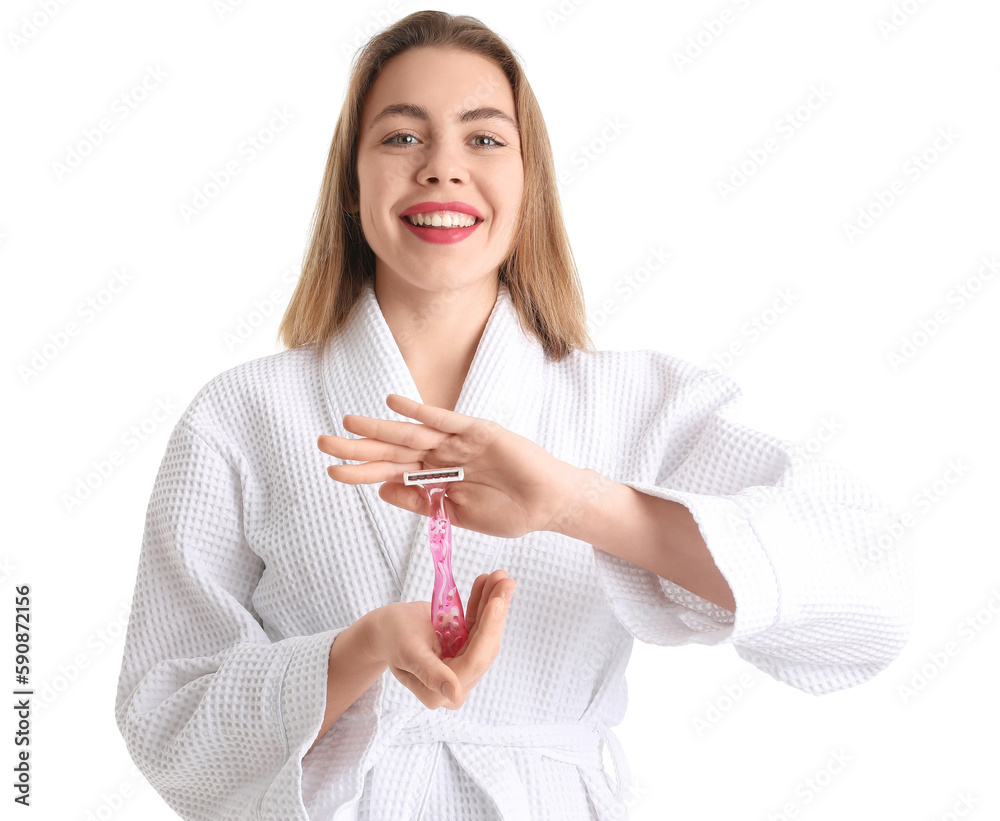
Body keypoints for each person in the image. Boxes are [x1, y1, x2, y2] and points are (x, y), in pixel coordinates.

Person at [114, 10, 914, 821]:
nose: (442, 169)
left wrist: (576, 504)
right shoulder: (242, 416)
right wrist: (363, 649)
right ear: (351, 188)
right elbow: (167, 719)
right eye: (400, 137)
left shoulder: (639, 405)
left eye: (485, 139)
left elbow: (870, 599)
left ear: (529, 186)